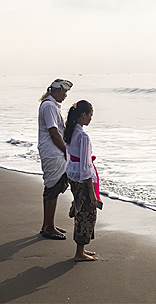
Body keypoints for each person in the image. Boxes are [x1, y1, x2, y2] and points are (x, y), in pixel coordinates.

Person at [64, 100, 100, 261]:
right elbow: (86, 168)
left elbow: (71, 158)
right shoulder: (83, 136)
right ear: (83, 115)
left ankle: (82, 250)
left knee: (81, 210)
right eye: (90, 115)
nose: (91, 119)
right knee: (87, 214)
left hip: (72, 175)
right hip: (81, 177)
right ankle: (79, 253)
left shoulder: (71, 132)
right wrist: (92, 195)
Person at [38, 79, 73, 240]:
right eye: (64, 92)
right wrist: (67, 151)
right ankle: (48, 227)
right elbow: (53, 132)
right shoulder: (49, 106)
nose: (65, 95)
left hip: (52, 152)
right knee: (53, 188)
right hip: (53, 152)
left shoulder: (50, 105)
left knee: (52, 188)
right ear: (57, 90)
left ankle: (48, 224)